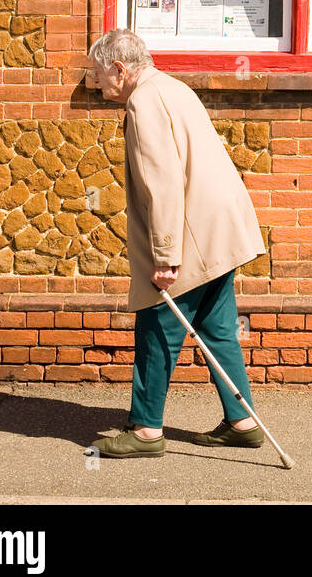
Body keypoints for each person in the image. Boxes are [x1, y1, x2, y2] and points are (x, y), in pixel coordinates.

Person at [84, 29, 268, 457]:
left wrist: (166, 257)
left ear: (119, 68)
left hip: (190, 237)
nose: (96, 82)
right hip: (219, 231)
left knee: (156, 328)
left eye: (98, 73)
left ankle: (146, 431)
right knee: (218, 330)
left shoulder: (143, 102)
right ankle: (243, 422)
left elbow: (161, 183)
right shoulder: (173, 87)